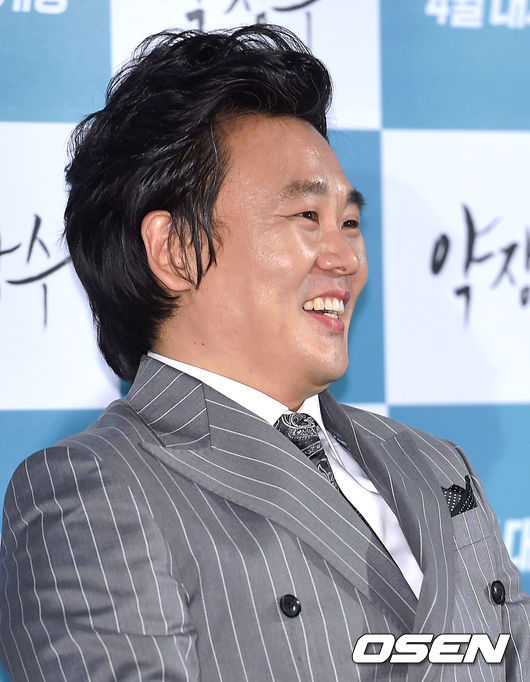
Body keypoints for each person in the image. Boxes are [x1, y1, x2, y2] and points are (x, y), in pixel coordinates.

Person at [0, 24, 528, 682]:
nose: (346, 258)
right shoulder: (93, 491)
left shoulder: (435, 464)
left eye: (350, 223)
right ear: (176, 251)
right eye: (307, 217)